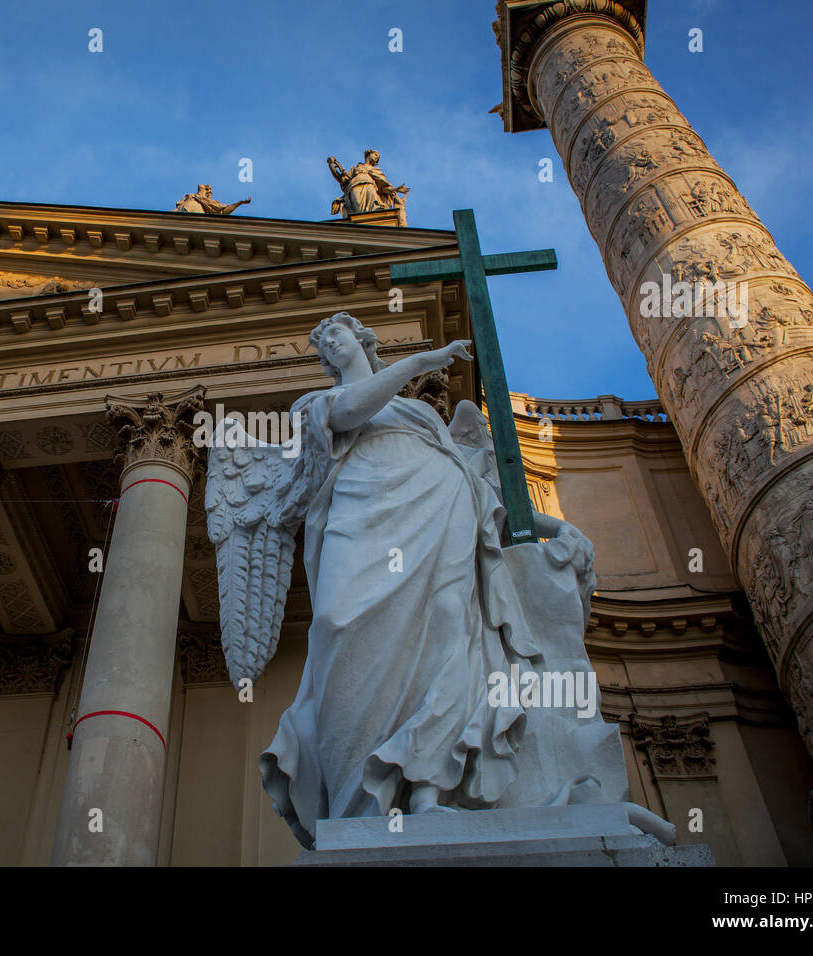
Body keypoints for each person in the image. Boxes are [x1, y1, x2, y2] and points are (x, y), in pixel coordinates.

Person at [252, 312, 590, 847]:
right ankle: (353, 805)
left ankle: (429, 785)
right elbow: (351, 410)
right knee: (340, 623)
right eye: (323, 342)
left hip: (439, 507)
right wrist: (423, 362)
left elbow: (484, 489)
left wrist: (554, 526)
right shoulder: (315, 405)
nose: (330, 342)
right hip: (360, 513)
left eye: (337, 332)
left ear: (362, 338)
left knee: (449, 636)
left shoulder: (416, 412)